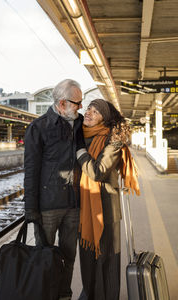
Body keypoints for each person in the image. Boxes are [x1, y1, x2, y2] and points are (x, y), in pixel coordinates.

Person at [24, 79, 83, 300]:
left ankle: (64, 296)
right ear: (61, 103)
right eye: (76, 103)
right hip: (47, 207)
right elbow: (31, 171)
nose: (80, 107)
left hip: (73, 205)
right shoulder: (38, 128)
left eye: (81, 102)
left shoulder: (79, 124)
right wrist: (31, 209)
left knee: (69, 257)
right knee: (45, 258)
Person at [76, 99, 140, 300]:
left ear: (104, 118)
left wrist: (80, 152)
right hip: (86, 208)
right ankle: (91, 294)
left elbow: (98, 172)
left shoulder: (113, 141)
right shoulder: (82, 135)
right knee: (87, 258)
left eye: (95, 112)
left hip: (107, 209)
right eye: (89, 109)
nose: (89, 113)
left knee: (108, 259)